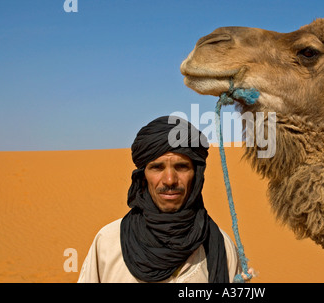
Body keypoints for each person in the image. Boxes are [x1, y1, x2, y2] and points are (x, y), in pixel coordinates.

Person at [77, 116, 242, 283]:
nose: (170, 180)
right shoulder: (108, 243)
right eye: (157, 167)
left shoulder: (222, 248)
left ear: (196, 175)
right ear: (143, 176)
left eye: (181, 167)